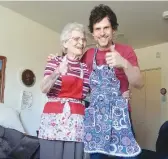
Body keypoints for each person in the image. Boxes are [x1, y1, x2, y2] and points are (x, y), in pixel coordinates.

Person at [47, 4, 143, 159]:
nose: (102, 33)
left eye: (106, 28)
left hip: (121, 119)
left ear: (114, 30)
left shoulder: (126, 51)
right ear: (92, 32)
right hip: (95, 119)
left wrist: (123, 63)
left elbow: (139, 83)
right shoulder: (88, 54)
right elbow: (72, 68)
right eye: (98, 29)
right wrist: (56, 59)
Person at [38, 22, 90, 159]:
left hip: (77, 122)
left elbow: (91, 94)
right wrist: (57, 72)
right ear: (65, 43)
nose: (81, 42)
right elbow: (43, 88)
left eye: (83, 39)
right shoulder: (54, 61)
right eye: (76, 39)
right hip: (53, 121)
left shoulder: (85, 68)